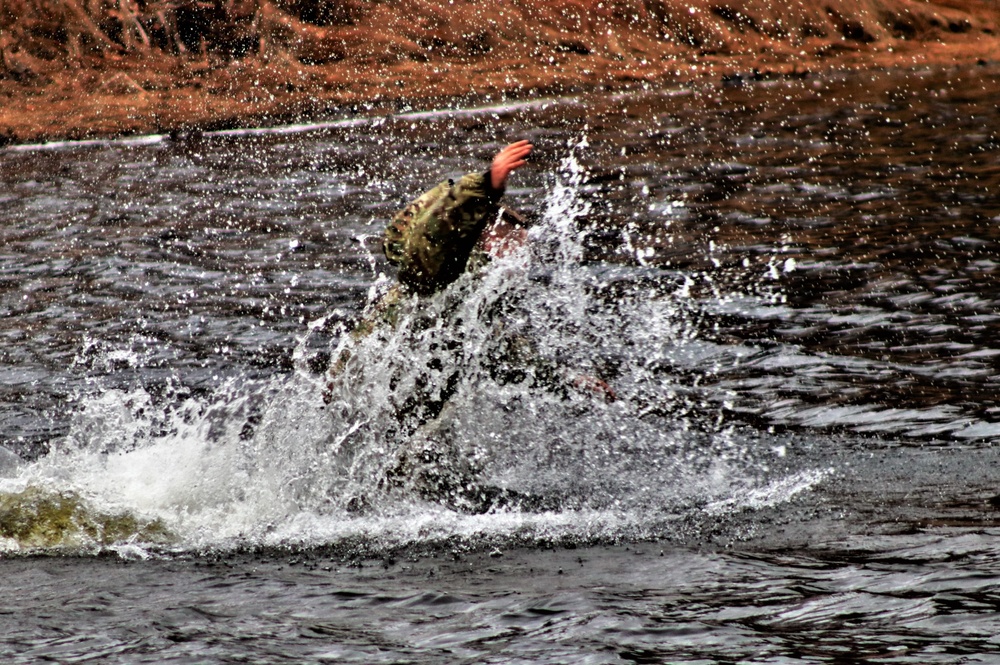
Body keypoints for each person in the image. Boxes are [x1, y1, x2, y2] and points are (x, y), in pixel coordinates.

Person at [327, 140, 613, 512]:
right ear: (483, 239)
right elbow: (432, 241)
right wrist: (487, 186)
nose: (522, 257)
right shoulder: (438, 275)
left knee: (438, 482)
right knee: (387, 483)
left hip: (400, 414)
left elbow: (499, 352)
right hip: (369, 405)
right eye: (514, 244)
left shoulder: (471, 299)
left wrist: (568, 382)